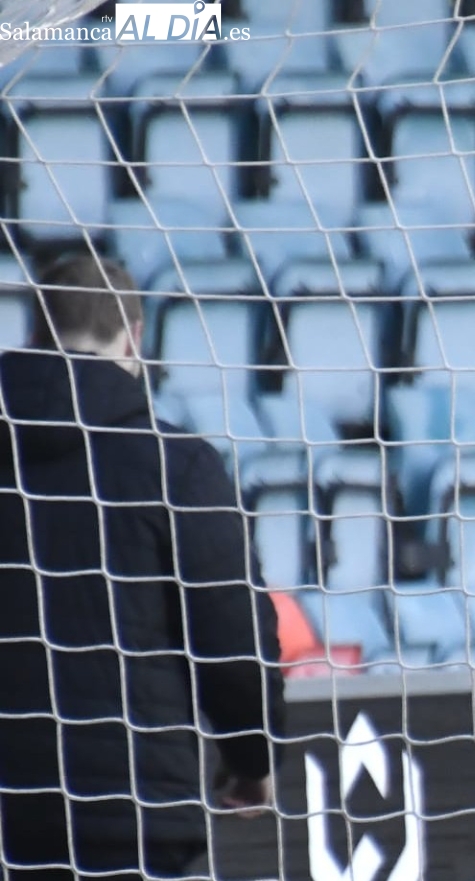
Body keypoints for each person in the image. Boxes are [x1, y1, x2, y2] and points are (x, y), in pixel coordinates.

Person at [0, 254, 286, 880]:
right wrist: (250, 757)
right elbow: (233, 634)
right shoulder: (175, 464)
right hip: (136, 816)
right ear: (134, 335)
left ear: (33, 335)